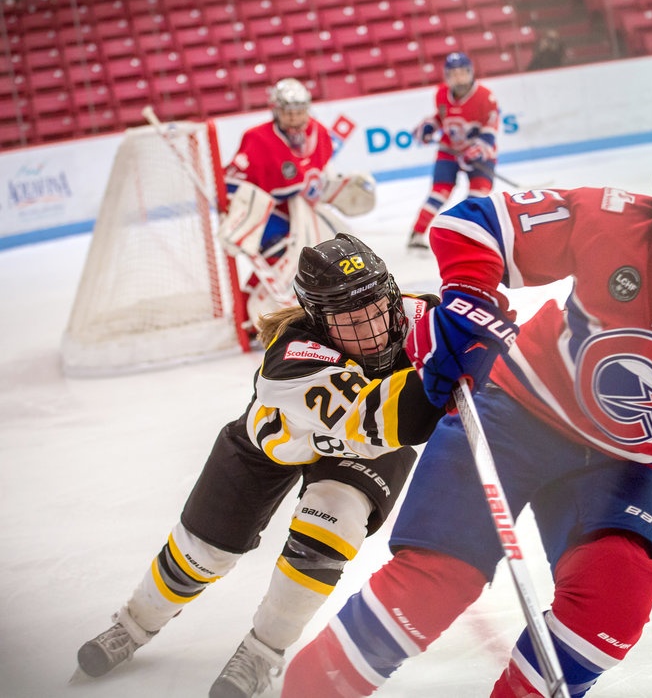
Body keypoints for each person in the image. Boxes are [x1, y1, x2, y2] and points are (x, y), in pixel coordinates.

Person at [281, 133, 652, 697]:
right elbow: (472, 222)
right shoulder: (611, 220)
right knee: (432, 586)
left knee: (615, 601)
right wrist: (470, 301)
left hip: (618, 466)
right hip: (512, 415)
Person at [75, 233, 444, 698]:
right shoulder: (292, 362)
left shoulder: (419, 316)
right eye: (351, 321)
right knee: (202, 551)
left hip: (362, 449)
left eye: (376, 309)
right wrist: (450, 368)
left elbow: (466, 334)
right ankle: (134, 623)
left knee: (328, 531)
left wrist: (482, 336)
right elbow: (395, 416)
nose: (372, 329)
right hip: (275, 444)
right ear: (318, 321)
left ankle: (262, 652)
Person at [221, 77, 377, 324]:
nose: (294, 118)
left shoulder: (319, 133)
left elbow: (322, 176)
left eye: (299, 111)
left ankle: (252, 316)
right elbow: (231, 181)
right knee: (280, 255)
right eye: (288, 112)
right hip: (268, 212)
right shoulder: (256, 138)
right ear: (276, 110)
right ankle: (249, 316)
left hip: (302, 213)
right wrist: (235, 210)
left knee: (318, 255)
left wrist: (335, 187)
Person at [407, 52, 500, 250]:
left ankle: (467, 236)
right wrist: (429, 127)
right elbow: (441, 117)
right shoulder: (441, 93)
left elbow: (490, 131)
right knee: (439, 191)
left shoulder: (486, 97)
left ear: (470, 72)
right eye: (453, 74)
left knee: (478, 196)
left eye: (462, 73)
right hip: (449, 150)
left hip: (480, 154)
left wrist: (477, 149)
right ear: (447, 76)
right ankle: (416, 234)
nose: (458, 78)